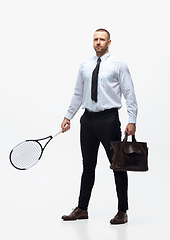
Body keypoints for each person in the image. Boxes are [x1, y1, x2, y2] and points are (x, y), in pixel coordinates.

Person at [61, 28, 138, 224]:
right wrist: (68, 116)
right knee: (88, 166)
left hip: (108, 120)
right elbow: (78, 93)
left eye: (102, 40)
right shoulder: (85, 66)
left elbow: (129, 93)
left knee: (118, 166)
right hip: (87, 121)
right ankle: (82, 208)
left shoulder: (118, 65)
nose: (98, 42)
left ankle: (122, 211)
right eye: (95, 39)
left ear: (109, 42)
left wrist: (132, 120)